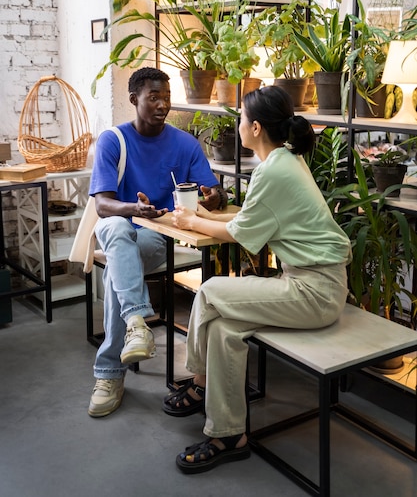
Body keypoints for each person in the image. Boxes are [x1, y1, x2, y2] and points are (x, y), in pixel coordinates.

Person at [163, 85, 352, 473]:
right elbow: (246, 221)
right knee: (224, 330)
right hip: (309, 284)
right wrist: (201, 216)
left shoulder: (275, 170)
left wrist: (191, 220)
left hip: (313, 292)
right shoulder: (283, 161)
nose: (239, 124)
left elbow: (237, 232)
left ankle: (198, 382)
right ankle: (230, 433)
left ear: (256, 128)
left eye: (242, 119)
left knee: (211, 290)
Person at [87, 67, 228, 418]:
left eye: (166, 97)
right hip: (119, 225)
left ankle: (111, 370)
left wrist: (213, 197)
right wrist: (133, 208)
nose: (162, 104)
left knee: (117, 273)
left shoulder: (185, 144)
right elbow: (102, 205)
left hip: (157, 236)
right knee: (117, 230)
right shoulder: (113, 140)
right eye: (153, 97)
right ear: (134, 100)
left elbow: (215, 191)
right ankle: (137, 322)